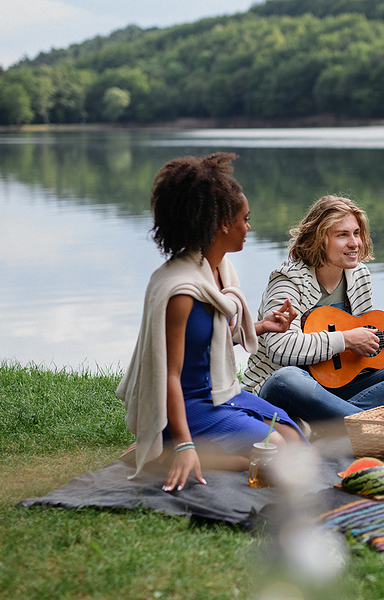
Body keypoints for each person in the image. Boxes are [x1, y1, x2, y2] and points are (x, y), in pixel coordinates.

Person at [117, 153, 305, 492]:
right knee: (274, 451)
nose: (249, 227)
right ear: (222, 223)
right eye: (245, 219)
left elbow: (211, 339)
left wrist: (262, 327)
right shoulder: (180, 291)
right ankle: (169, 450)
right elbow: (170, 375)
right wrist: (187, 443)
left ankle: (181, 449)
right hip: (185, 404)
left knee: (295, 436)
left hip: (221, 392)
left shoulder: (220, 271)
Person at [241, 195, 384, 424]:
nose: (354, 242)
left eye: (356, 233)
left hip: (336, 388)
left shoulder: (359, 277)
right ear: (318, 239)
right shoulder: (288, 281)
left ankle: (336, 423)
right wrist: (344, 339)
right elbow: (280, 349)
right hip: (285, 390)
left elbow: (366, 346)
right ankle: (367, 424)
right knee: (287, 378)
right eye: (342, 235)